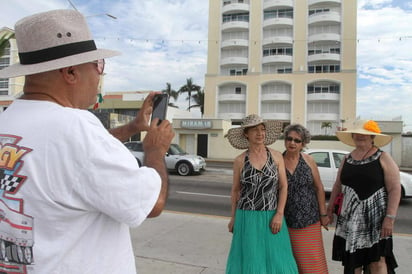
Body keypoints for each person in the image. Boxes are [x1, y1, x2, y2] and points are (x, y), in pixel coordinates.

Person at [0, 9, 174, 274]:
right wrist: (155, 151)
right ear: (70, 72)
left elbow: (72, 160)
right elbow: (152, 204)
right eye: (98, 66)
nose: (99, 77)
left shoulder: (9, 118)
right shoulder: (75, 126)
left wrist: (133, 127)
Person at [225, 114, 298, 274]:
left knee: (279, 258)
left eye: (262, 129)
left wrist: (279, 214)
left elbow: (283, 187)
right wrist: (233, 217)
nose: (260, 133)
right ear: (246, 134)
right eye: (255, 130)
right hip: (247, 216)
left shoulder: (276, 156)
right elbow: (236, 190)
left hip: (272, 215)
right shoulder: (239, 160)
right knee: (251, 259)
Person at [326, 120, 401, 273]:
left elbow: (394, 188)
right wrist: (329, 209)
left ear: (372, 137)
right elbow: (337, 186)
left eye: (365, 134)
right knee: (353, 262)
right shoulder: (347, 158)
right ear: (352, 136)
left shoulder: (383, 157)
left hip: (376, 219)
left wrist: (390, 218)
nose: (360, 136)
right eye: (357, 133)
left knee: (377, 260)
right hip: (349, 219)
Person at [282, 124, 329, 273]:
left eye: (297, 140)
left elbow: (319, 187)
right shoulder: (277, 161)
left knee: (313, 261)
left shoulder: (308, 160)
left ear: (303, 143)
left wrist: (323, 214)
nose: (292, 143)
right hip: (285, 221)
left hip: (310, 219)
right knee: (291, 261)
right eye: (289, 139)